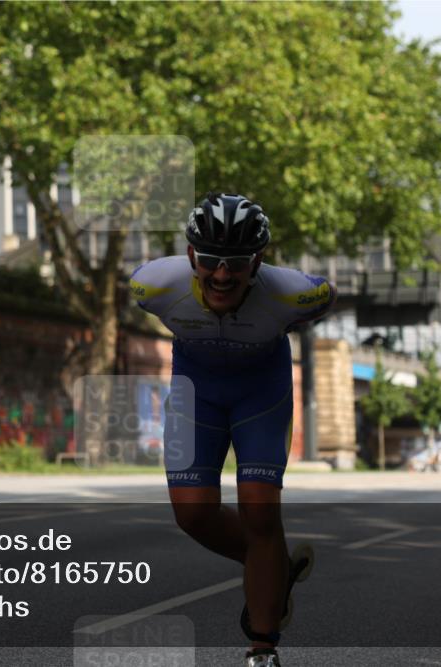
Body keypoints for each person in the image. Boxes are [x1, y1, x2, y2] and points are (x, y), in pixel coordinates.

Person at [129, 193, 336, 667]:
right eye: (209, 261)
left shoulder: (291, 292)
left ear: (258, 261)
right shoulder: (153, 286)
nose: (222, 274)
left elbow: (327, 297)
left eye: (237, 263)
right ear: (190, 257)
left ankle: (262, 649)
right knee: (192, 515)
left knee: (260, 513)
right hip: (196, 392)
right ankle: (272, 570)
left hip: (260, 393)